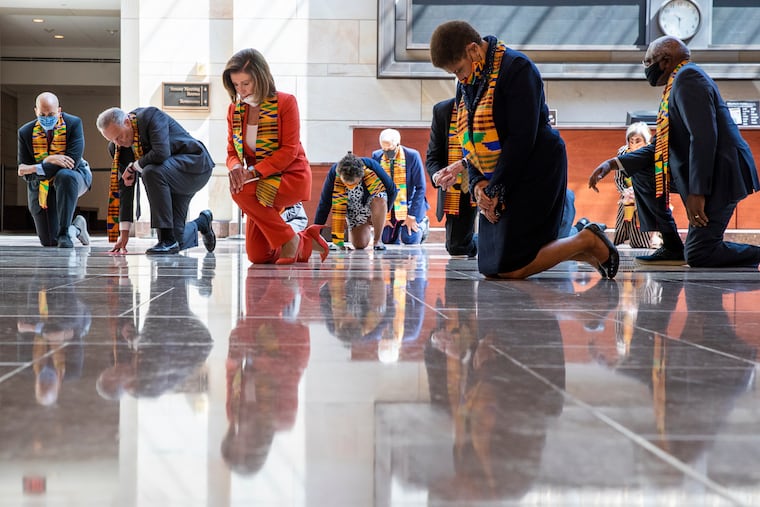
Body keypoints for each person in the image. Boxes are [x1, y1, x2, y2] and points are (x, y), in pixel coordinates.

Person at [429, 20, 618, 279]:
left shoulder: (517, 68)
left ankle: (586, 240)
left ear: (473, 50)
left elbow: (521, 138)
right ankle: (587, 252)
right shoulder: (469, 80)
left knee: (511, 267)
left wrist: (495, 188)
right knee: (489, 266)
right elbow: (470, 138)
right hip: (498, 173)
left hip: (534, 167)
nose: (459, 78)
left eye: (459, 69)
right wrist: (477, 183)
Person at [589, 36, 760, 268]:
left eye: (648, 61)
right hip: (713, 172)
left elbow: (703, 138)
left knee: (700, 254)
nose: (646, 67)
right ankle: (671, 246)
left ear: (665, 60)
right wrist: (613, 163)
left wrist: (697, 193)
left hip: (723, 176)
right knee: (642, 171)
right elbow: (658, 147)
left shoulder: (689, 78)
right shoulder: (678, 81)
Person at [222, 48, 327, 264]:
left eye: (246, 83)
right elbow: (232, 152)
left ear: (261, 78)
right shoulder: (235, 110)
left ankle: (289, 240)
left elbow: (289, 150)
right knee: (259, 256)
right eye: (236, 84)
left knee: (239, 191)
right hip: (257, 182)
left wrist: (251, 173)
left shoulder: (286, 103)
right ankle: (305, 241)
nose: (241, 90)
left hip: (289, 177)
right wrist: (235, 168)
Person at [96, 106, 216, 255]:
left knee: (151, 171)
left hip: (194, 167)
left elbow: (161, 153)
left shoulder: (150, 117)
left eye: (119, 136)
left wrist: (134, 166)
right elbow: (126, 186)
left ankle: (166, 239)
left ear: (127, 122)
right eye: (112, 140)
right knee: (178, 240)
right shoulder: (118, 148)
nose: (118, 143)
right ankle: (202, 222)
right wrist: (124, 233)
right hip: (167, 179)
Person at [17, 92, 92, 248]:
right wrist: (49, 160)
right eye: (42, 114)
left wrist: (34, 167)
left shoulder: (73, 124)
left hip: (75, 176)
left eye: (51, 114)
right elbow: (26, 176)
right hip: (41, 186)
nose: (46, 117)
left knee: (64, 175)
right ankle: (77, 227)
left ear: (59, 110)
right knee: (50, 241)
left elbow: (72, 162)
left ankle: (65, 232)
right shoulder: (25, 132)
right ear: (35, 111)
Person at [426, 98, 478, 257]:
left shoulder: (492, 104)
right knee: (457, 247)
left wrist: (463, 163)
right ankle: (477, 242)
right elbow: (433, 157)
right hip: (459, 187)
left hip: (493, 180)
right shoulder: (443, 110)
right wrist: (438, 177)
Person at [314, 151, 396, 250]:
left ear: (361, 176)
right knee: (360, 244)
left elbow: (392, 190)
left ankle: (377, 240)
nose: (350, 187)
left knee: (380, 197)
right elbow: (324, 204)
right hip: (353, 209)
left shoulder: (371, 166)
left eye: (354, 184)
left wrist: (382, 214)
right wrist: (315, 235)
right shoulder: (333, 173)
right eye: (347, 184)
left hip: (373, 202)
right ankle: (364, 228)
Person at [372, 128, 430, 245]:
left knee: (409, 239)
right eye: (384, 149)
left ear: (398, 144)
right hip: (389, 205)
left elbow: (420, 187)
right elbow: (375, 187)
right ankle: (397, 225)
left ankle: (423, 224)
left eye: (390, 149)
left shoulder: (412, 155)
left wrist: (412, 215)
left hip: (410, 203)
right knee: (386, 239)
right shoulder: (377, 156)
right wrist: (382, 216)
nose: (387, 152)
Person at [612, 122, 655, 249]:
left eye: (638, 141)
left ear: (646, 141)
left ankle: (646, 241)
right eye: (631, 141)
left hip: (646, 194)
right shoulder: (623, 152)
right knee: (626, 206)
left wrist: (639, 192)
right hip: (628, 194)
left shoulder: (650, 153)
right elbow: (618, 178)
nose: (634, 144)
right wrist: (625, 191)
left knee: (640, 243)